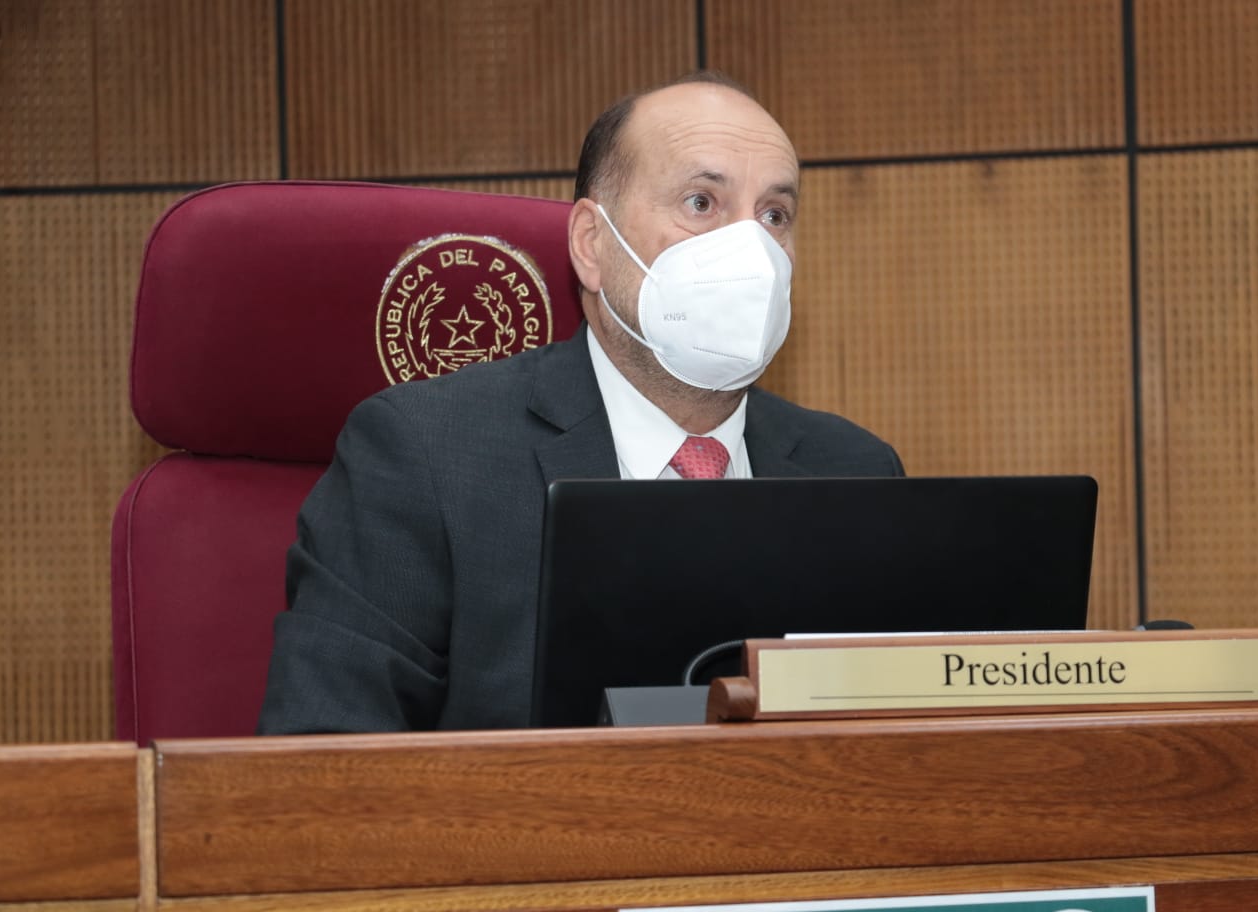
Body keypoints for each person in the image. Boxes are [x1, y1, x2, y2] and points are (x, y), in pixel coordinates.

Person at [257, 72, 903, 734]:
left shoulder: (856, 470)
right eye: (701, 203)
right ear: (592, 246)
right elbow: (326, 761)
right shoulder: (423, 456)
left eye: (775, 215)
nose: (752, 250)